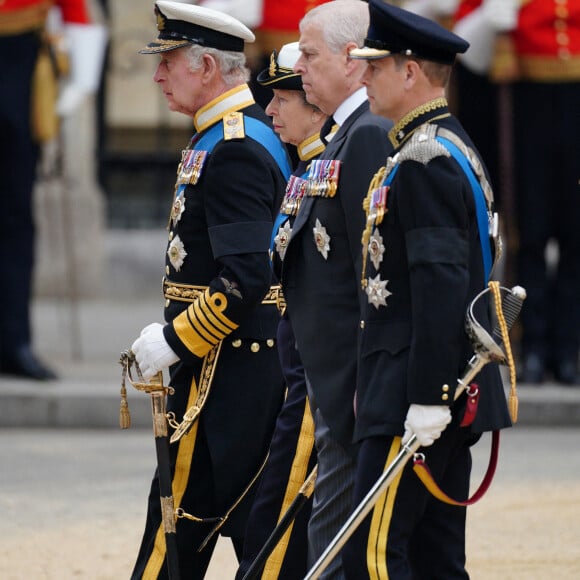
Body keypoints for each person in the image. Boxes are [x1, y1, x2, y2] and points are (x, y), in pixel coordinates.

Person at [342, 1, 512, 577]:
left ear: (409, 71)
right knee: (435, 560)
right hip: (427, 386)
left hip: (414, 392)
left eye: (374, 66)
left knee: (376, 555)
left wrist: (428, 395)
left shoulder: (424, 159)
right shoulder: (442, 145)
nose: (362, 76)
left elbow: (440, 285)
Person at [129, 1, 292, 577]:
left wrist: (176, 340)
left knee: (174, 537)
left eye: (168, 62)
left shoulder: (236, 147)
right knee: (252, 540)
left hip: (224, 377)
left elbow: (246, 276)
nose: (158, 76)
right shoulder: (225, 135)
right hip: (229, 370)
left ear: (205, 67)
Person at [280, 1, 393, 577]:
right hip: (332, 380)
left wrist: (361, 383)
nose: (297, 66)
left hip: (351, 383)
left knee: (337, 547)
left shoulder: (367, 134)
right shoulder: (341, 134)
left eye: (308, 53)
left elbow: (370, 273)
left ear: (353, 61)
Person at [235, 41, 327, 580]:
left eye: (281, 99)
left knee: (277, 532)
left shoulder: (326, 168)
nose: (268, 111)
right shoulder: (304, 168)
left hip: (315, 382)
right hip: (295, 372)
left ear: (314, 104)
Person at [454, 0, 580, 385]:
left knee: (575, 234)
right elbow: (467, 47)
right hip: (527, 101)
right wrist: (493, 19)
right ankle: (533, 347)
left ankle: (568, 348)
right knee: (531, 229)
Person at [0, 0, 105, 380]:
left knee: (14, 215)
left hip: (17, 67)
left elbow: (76, 12)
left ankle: (13, 341)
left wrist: (81, 84)